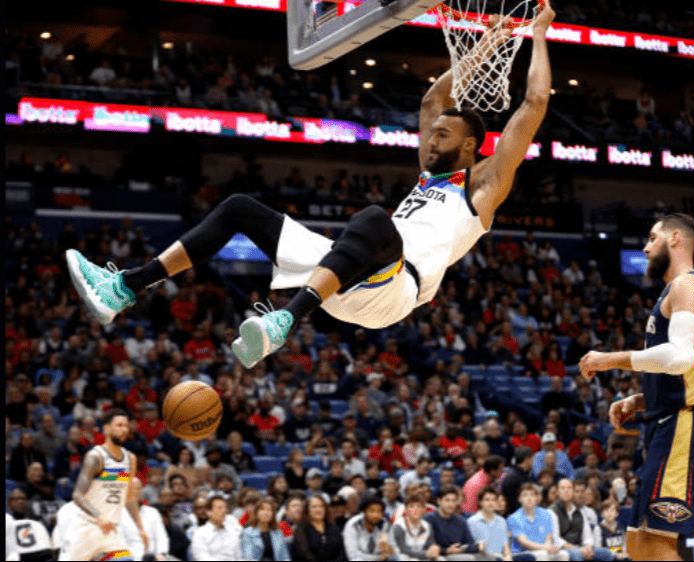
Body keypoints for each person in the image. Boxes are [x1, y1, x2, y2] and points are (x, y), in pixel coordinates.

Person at [65, 4, 556, 375]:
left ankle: (283, 321)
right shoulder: (428, 174)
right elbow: (432, 100)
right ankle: (124, 287)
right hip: (345, 274)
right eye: (431, 134)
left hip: (393, 290)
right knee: (239, 208)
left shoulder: (485, 186)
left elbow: (533, 103)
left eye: (442, 136)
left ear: (470, 147)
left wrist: (537, 34)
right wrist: (483, 49)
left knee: (374, 218)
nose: (429, 139)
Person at [579, 214, 694, 561]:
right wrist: (640, 400)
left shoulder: (689, 285)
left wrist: (609, 359)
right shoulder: (676, 290)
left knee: (656, 545)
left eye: (651, 238)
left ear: (675, 238)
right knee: (638, 543)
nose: (645, 248)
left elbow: (679, 358)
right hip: (672, 419)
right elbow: (689, 374)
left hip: (686, 425)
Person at [63, 408, 148, 561]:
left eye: (126, 426)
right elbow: (77, 495)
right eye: (119, 425)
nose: (124, 430)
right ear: (106, 429)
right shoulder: (96, 457)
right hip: (86, 529)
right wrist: (99, 517)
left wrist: (140, 528)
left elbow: (129, 498)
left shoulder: (130, 459)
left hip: (110, 532)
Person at [507, 482, 568, 561]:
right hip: (522, 553)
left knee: (564, 554)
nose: (529, 498)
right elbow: (524, 542)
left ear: (536, 498)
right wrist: (546, 548)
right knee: (543, 555)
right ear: (520, 499)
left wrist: (548, 547)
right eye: (525, 495)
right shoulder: (513, 518)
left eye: (532, 495)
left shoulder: (546, 514)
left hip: (543, 549)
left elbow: (548, 538)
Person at [468, 486, 525, 561]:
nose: (491, 503)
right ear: (481, 502)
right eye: (487, 500)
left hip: (501, 557)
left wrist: (508, 556)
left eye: (494, 500)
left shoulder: (502, 521)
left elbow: (505, 546)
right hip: (484, 557)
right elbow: (473, 548)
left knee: (528, 557)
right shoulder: (472, 522)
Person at [424, 485, 481, 560]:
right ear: (439, 501)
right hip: (439, 556)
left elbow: (471, 544)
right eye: (447, 500)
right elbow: (427, 546)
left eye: (454, 501)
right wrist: (447, 551)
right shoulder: (429, 520)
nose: (451, 504)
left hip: (460, 554)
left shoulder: (461, 521)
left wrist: (462, 549)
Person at [343, 494, 396, 561]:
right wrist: (377, 558)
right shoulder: (353, 525)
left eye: (379, 511)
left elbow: (392, 555)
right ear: (364, 511)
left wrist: (391, 551)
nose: (376, 515)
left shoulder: (385, 525)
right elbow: (353, 556)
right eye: (372, 511)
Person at [292, 495, 345, 561]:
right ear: (307, 510)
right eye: (314, 507)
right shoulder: (301, 529)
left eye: (321, 506)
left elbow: (341, 551)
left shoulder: (333, 527)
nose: (318, 509)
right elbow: (304, 553)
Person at [390, 493, 440, 561]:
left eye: (419, 506)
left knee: (441, 559)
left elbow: (430, 545)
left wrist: (434, 548)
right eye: (411, 506)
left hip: (421, 557)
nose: (415, 509)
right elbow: (403, 550)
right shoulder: (399, 526)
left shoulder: (427, 526)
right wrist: (425, 554)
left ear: (424, 510)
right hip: (401, 557)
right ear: (406, 510)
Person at [191, 495, 242, 560]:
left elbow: (238, 557)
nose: (224, 511)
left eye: (225, 508)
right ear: (209, 512)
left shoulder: (232, 533)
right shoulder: (200, 533)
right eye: (220, 508)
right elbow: (202, 557)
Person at [242, 497, 291, 561]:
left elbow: (285, 557)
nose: (266, 512)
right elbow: (248, 558)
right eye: (262, 509)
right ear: (256, 513)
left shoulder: (278, 532)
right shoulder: (248, 533)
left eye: (269, 510)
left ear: (273, 514)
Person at [502, 446, 535, 515]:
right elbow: (512, 504)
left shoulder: (523, 475)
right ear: (527, 459)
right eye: (532, 459)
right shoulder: (513, 478)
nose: (533, 462)